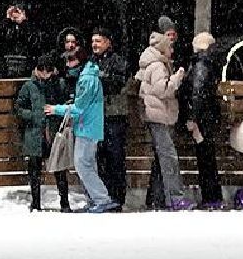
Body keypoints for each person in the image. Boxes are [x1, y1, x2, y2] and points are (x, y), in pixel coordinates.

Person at [47, 39, 116, 213]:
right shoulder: (89, 75)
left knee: (82, 164)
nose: (68, 64)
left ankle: (101, 199)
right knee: (88, 164)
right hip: (89, 126)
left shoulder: (86, 79)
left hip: (87, 126)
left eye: (71, 60)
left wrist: (56, 109)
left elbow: (79, 108)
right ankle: (96, 199)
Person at [136, 30, 192, 210]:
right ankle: (175, 198)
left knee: (162, 159)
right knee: (169, 158)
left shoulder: (150, 63)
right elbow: (163, 90)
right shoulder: (158, 66)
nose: (172, 51)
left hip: (154, 115)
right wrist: (177, 78)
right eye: (170, 47)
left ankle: (157, 197)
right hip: (159, 115)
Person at [90, 27, 131, 210]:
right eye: (93, 41)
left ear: (107, 42)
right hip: (97, 116)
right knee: (100, 157)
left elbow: (117, 84)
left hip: (114, 115)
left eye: (98, 41)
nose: (95, 44)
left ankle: (117, 197)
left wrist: (99, 80)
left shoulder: (117, 61)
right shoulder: (91, 62)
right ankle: (104, 196)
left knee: (115, 157)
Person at [183, 32, 225, 209]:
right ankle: (213, 196)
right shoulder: (210, 64)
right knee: (208, 158)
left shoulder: (200, 65)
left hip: (202, 119)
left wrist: (192, 117)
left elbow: (197, 93)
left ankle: (210, 196)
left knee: (205, 159)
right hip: (209, 116)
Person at [13, 55, 57, 212]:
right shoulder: (28, 86)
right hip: (34, 132)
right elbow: (18, 108)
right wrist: (32, 115)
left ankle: (65, 202)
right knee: (34, 169)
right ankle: (36, 202)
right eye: (42, 70)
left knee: (59, 167)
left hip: (52, 131)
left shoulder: (56, 84)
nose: (45, 74)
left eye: (48, 70)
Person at [0, 1, 39, 79]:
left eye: (17, 11)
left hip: (25, 65)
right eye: (13, 10)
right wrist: (7, 20)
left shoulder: (31, 26)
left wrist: (23, 23)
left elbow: (34, 42)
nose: (14, 13)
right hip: (5, 66)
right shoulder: (5, 26)